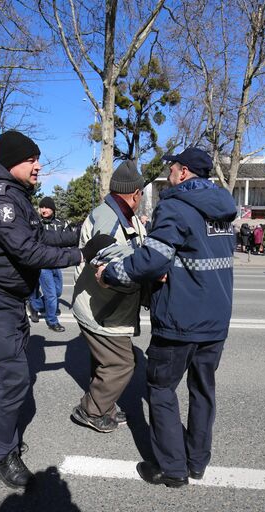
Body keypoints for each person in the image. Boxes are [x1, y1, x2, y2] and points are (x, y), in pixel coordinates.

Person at [98, 147, 236, 488]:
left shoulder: (175, 207)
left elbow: (152, 261)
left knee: (161, 389)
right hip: (216, 320)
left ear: (184, 172)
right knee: (203, 390)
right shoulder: (224, 209)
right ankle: (198, 461)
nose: (169, 173)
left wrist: (111, 272)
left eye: (172, 167)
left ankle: (172, 469)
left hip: (179, 320)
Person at [0, 130, 83, 490]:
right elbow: (28, 251)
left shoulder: (16, 196)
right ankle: (2, 456)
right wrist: (81, 256)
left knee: (8, 372)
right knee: (15, 375)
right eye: (32, 160)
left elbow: (40, 235)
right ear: (14, 160)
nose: (38, 166)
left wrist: (82, 234)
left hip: (10, 299)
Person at [70, 159, 147, 434]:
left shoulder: (121, 214)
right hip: (100, 309)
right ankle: (91, 410)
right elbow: (111, 267)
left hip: (106, 307)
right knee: (122, 363)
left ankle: (107, 403)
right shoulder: (111, 219)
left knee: (105, 361)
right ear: (135, 193)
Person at [27, 196, 77, 332]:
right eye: (41, 207)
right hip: (43, 263)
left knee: (58, 292)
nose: (43, 210)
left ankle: (34, 304)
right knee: (51, 295)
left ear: (53, 209)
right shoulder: (36, 224)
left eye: (46, 207)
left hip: (57, 262)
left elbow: (68, 240)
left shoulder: (61, 223)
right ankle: (52, 321)